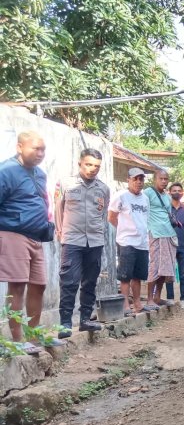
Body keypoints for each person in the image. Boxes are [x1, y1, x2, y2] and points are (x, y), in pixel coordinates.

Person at [0, 131, 52, 353]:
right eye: (35, 149)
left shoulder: (39, 173)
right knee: (17, 286)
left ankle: (34, 336)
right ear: (20, 147)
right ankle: (17, 340)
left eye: (43, 149)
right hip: (13, 234)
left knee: (39, 286)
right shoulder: (6, 171)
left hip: (36, 236)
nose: (40, 153)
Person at [55, 148, 110, 338]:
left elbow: (104, 215)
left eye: (96, 166)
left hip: (95, 241)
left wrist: (100, 235)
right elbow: (57, 210)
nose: (92, 169)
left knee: (90, 282)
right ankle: (64, 324)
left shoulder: (103, 188)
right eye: (88, 164)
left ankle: (85, 319)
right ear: (80, 163)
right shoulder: (66, 184)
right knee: (69, 282)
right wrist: (61, 234)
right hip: (72, 240)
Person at [108, 168, 152, 314]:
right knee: (125, 276)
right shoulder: (121, 196)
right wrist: (124, 230)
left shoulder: (145, 198)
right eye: (135, 179)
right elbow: (111, 217)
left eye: (141, 179)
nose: (139, 182)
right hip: (126, 242)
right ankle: (125, 304)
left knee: (138, 276)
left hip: (142, 242)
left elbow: (145, 218)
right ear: (128, 180)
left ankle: (138, 303)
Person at [144, 169, 177, 308]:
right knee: (155, 267)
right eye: (161, 178)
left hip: (168, 234)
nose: (164, 181)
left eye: (166, 179)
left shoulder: (167, 196)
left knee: (165, 267)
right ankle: (149, 299)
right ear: (155, 179)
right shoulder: (147, 193)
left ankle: (157, 297)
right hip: (155, 234)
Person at [164, 182, 184, 309]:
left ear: (182, 193)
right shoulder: (165, 208)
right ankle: (170, 298)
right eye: (174, 190)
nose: (177, 192)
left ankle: (183, 299)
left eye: (179, 190)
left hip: (183, 245)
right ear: (169, 192)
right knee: (168, 273)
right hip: (168, 244)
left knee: (183, 273)